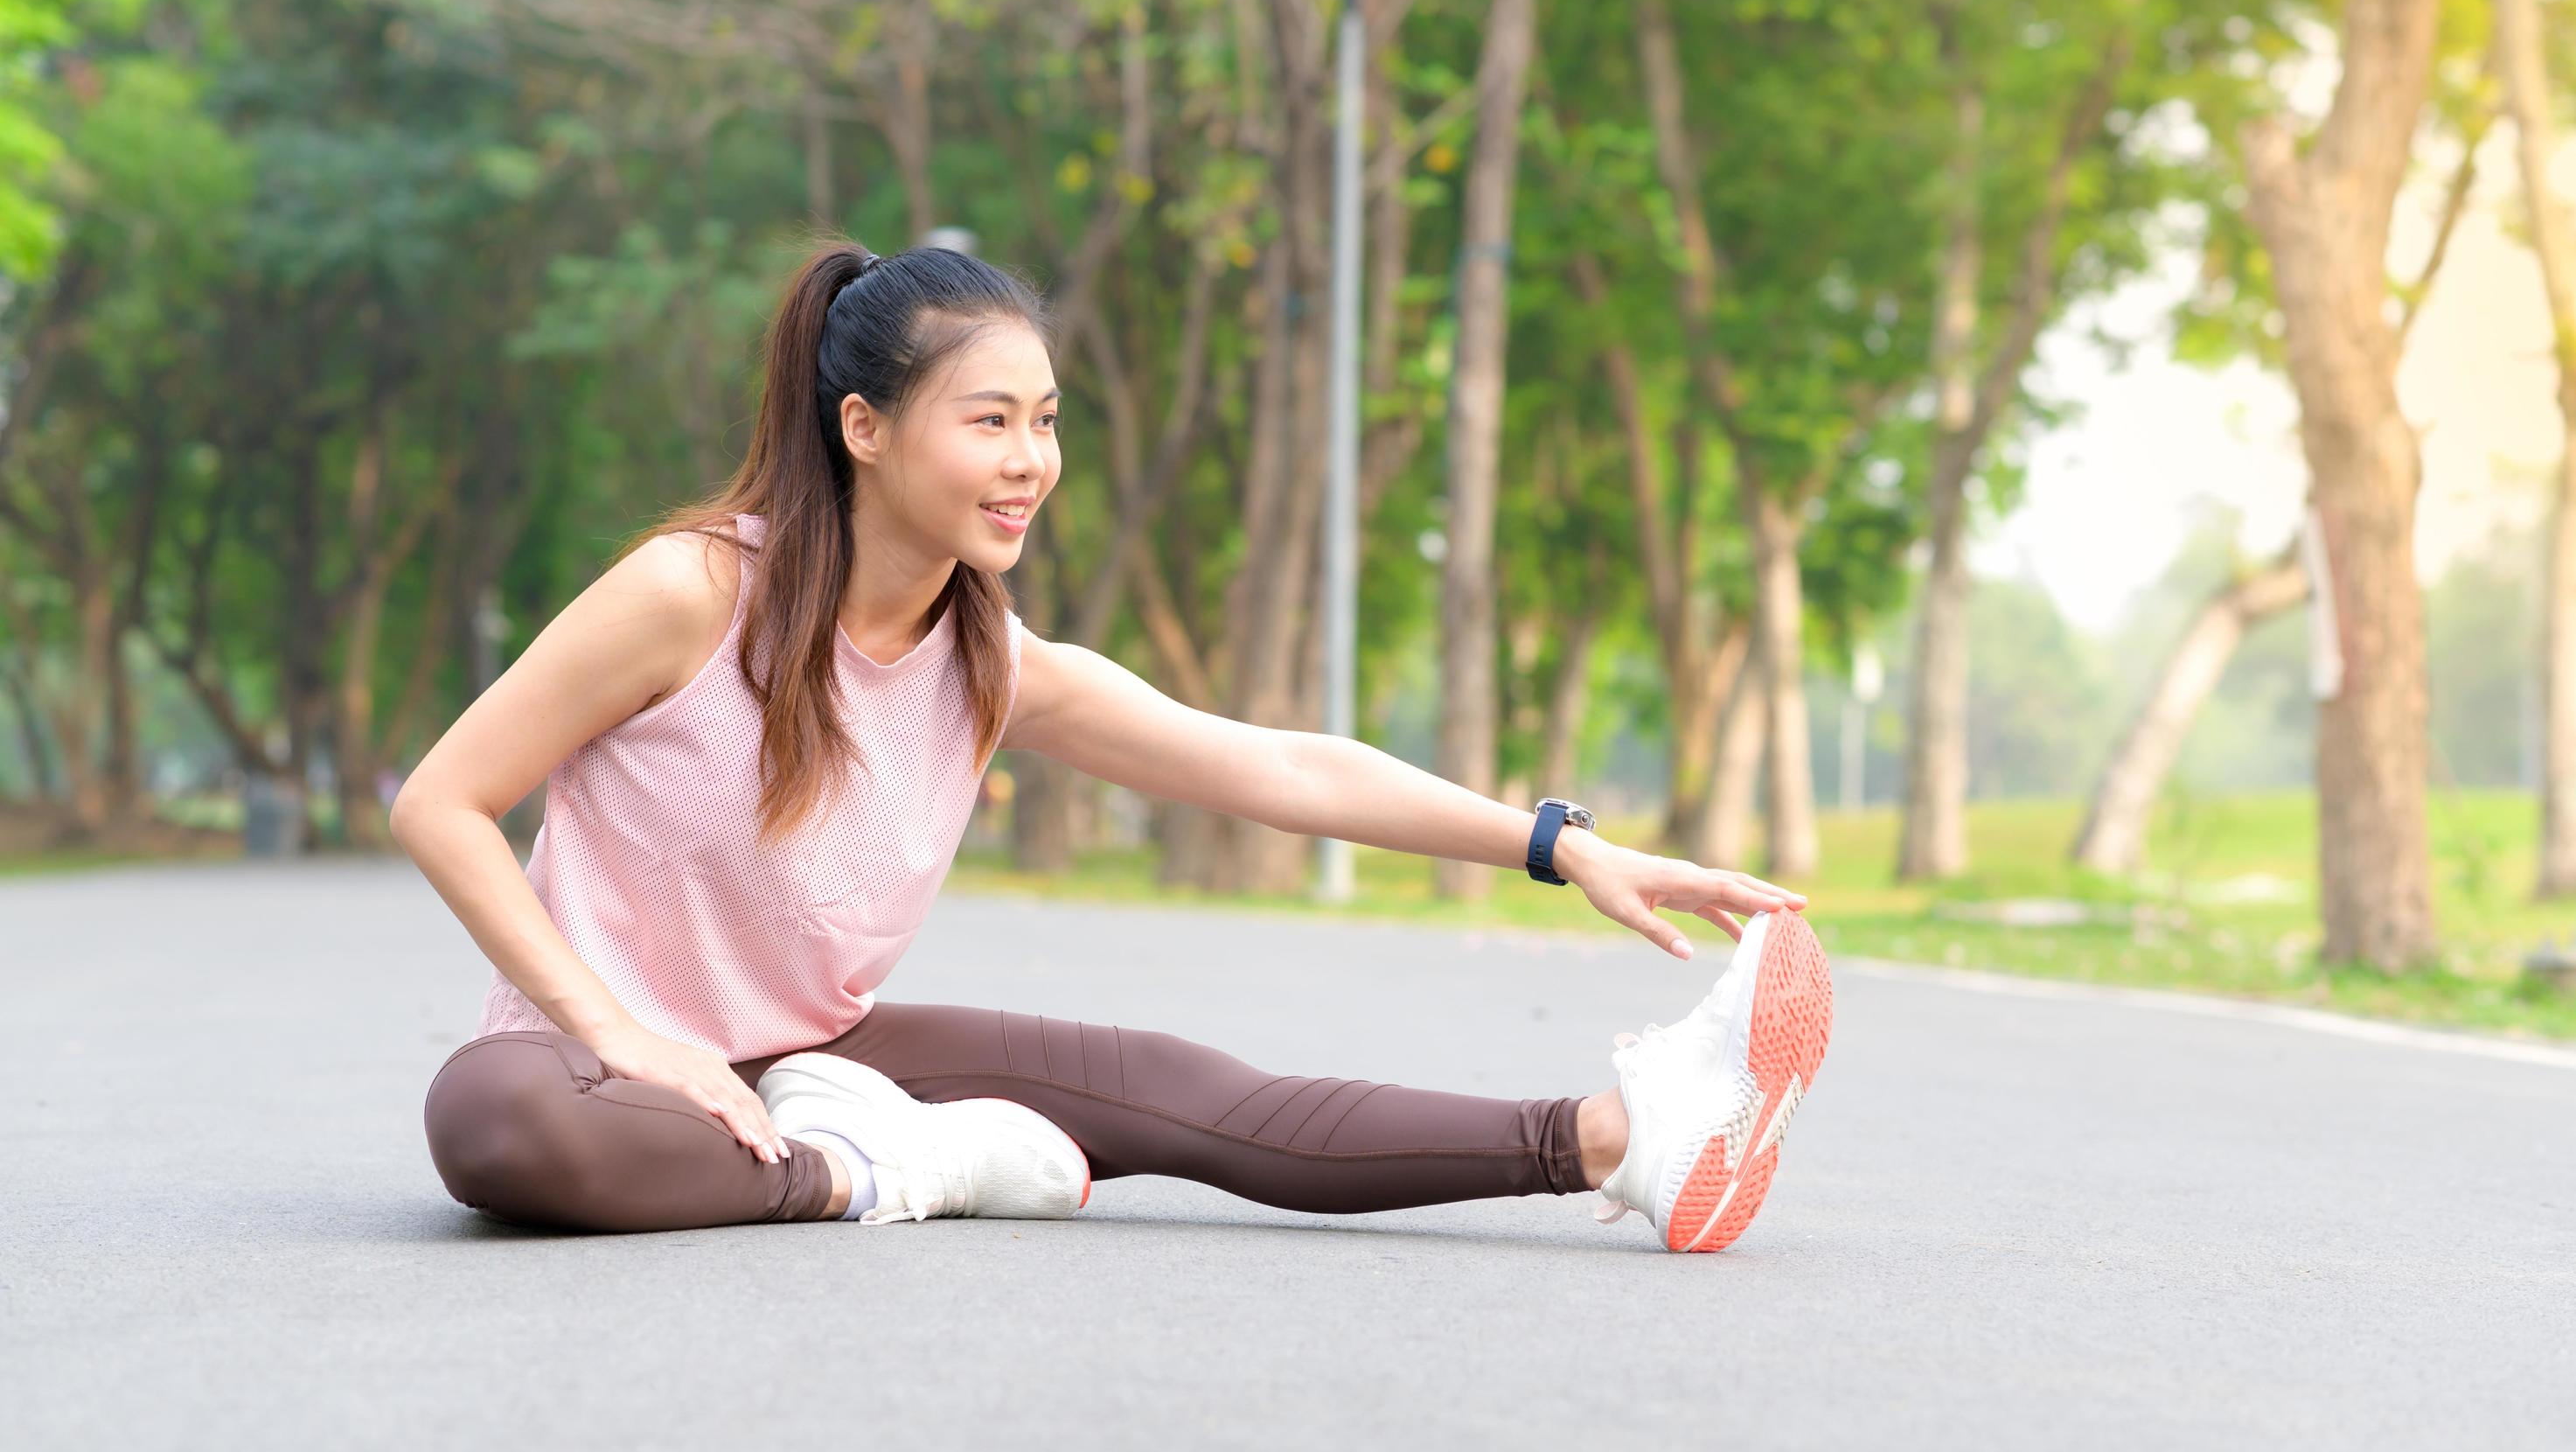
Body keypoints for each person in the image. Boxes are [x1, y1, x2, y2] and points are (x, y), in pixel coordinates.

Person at [395, 238, 1834, 1254]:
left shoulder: (990, 662)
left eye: (1045, 422)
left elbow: (1281, 766)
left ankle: (1628, 1138)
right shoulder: (692, 595)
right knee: (492, 1125)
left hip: (807, 1058)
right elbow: (444, 803)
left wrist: (1563, 842)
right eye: (990, 422)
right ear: (865, 428)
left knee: (1181, 1091)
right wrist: (622, 1034)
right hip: (601, 1080)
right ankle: (874, 1178)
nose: (1031, 461)